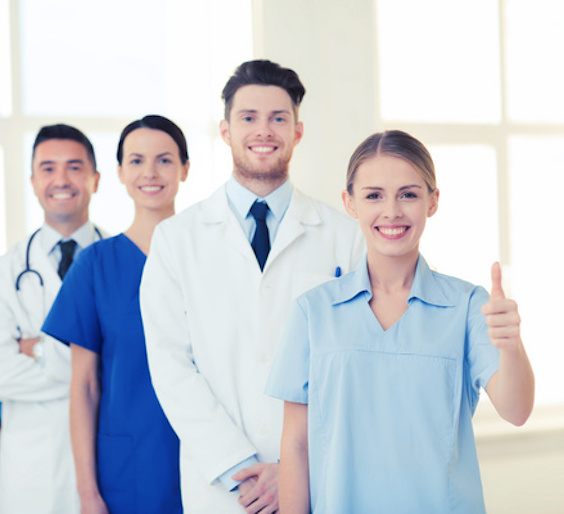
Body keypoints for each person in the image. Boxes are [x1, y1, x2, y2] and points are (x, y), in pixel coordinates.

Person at [266, 130, 535, 513]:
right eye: (374, 195)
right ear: (350, 202)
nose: (391, 210)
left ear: (433, 201)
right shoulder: (314, 312)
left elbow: (517, 410)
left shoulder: (468, 306)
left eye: (408, 194)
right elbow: (296, 443)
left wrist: (511, 345)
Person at [140, 60, 365, 513]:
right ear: (225, 130)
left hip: (316, 478)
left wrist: (292, 468)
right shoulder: (177, 238)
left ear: (297, 131)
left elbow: (359, 365)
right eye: (249, 118)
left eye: (278, 118)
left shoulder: (346, 236)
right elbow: (170, 366)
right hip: (224, 488)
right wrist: (237, 466)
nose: (264, 130)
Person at [42, 115, 189, 514]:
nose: (150, 172)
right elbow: (84, 386)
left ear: (185, 169)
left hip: (205, 456)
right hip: (127, 467)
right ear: (121, 173)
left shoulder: (208, 260)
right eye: (137, 161)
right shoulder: (94, 265)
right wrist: (88, 494)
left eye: (164, 159)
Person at [0, 124, 103, 513]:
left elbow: (138, 366)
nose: (61, 179)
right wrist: (90, 365)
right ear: (32, 181)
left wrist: (37, 349)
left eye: (74, 167)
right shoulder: (7, 270)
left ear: (96, 178)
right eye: (48, 168)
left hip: (106, 452)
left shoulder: (121, 262)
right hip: (32, 466)